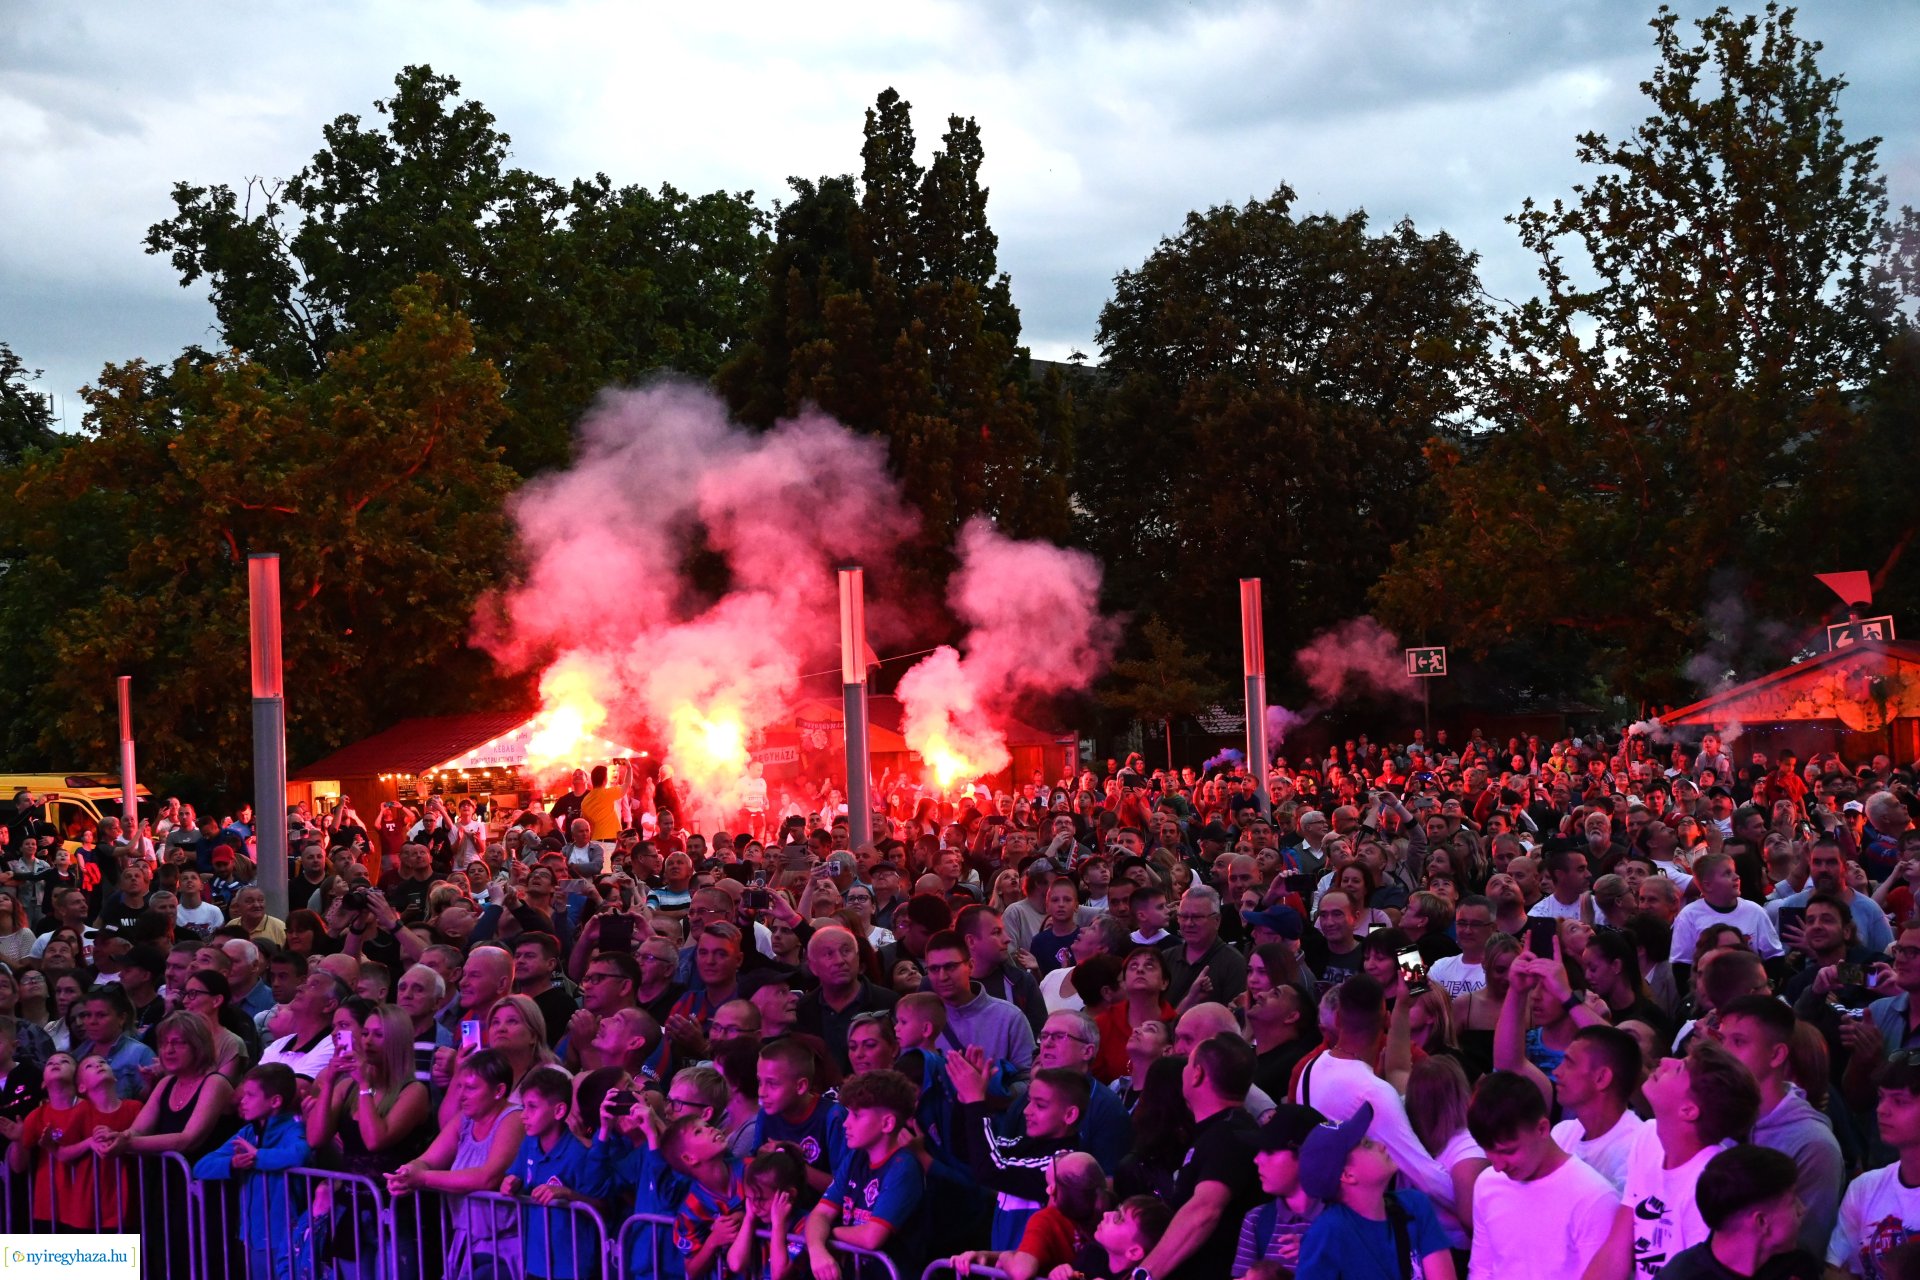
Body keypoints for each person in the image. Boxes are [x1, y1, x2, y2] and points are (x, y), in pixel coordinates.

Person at [1583, 1039, 1762, 1279]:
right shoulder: (1647, 1137)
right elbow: (1616, 1248)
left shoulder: (1711, 1183)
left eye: (1679, 1068)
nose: (1665, 1061)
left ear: (1689, 1110)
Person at [1711, 995, 1842, 1255]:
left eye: (1738, 1042)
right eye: (1721, 1040)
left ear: (1777, 1054)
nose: (1723, 1053)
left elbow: (1802, 1250)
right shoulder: (1717, 1117)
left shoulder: (1812, 1144)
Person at [386, 1049, 526, 1280]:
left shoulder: (513, 1119)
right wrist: (407, 1171)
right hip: (467, 1241)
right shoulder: (465, 1119)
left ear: (499, 1091)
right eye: (460, 1086)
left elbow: (487, 1177)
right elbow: (427, 1160)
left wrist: (421, 1179)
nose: (461, 1095)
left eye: (470, 1088)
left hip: (506, 1246)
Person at [1464, 1070, 1619, 1280]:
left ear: (1542, 1128)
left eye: (1508, 1151)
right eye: (1488, 1153)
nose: (1498, 1166)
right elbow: (1482, 1270)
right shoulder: (1487, 1184)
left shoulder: (1594, 1198)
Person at [1134, 1033, 1264, 1280]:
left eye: (1187, 1064)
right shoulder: (1221, 1130)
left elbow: (1204, 1209)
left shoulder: (1229, 1137)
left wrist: (1145, 1274)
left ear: (1197, 1074)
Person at [1294, 1101, 1456, 1279]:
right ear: (1347, 1175)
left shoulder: (1414, 1205)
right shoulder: (1326, 1234)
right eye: (1367, 1144)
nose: (1381, 1145)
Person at [805, 1068, 928, 1280]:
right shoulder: (855, 1157)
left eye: (856, 1115)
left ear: (887, 1123)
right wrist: (817, 1249)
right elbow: (820, 1214)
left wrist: (831, 1232)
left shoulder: (903, 1167)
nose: (846, 1123)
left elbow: (872, 1237)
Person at [193, 1063, 311, 1280]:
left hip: (283, 1237)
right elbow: (202, 1165)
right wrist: (233, 1163)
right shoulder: (248, 1131)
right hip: (251, 1236)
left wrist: (257, 1157)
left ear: (275, 1101)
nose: (242, 1100)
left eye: (250, 1095)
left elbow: (299, 1154)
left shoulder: (294, 1128)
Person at [1658, 1144, 1822, 1280]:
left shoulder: (1798, 1264)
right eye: (1793, 1202)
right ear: (1761, 1222)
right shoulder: (1680, 1277)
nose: (1802, 1210)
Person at [501, 1065, 604, 1280]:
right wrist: (511, 1182)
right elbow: (516, 1175)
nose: (523, 1116)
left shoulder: (579, 1154)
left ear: (558, 1111)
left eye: (532, 1107)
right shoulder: (529, 1144)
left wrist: (567, 1194)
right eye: (523, 1107)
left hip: (573, 1266)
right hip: (536, 1262)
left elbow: (601, 1205)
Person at [1829, 1049, 1920, 1277]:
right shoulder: (1864, 1188)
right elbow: (1834, 1270)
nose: (1881, 1110)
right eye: (1881, 1097)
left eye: (1899, 1101)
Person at [1231, 1103, 1327, 1277]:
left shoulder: (1342, 1221)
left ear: (1306, 1155)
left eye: (1269, 1151)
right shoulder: (1256, 1221)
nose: (1257, 1159)